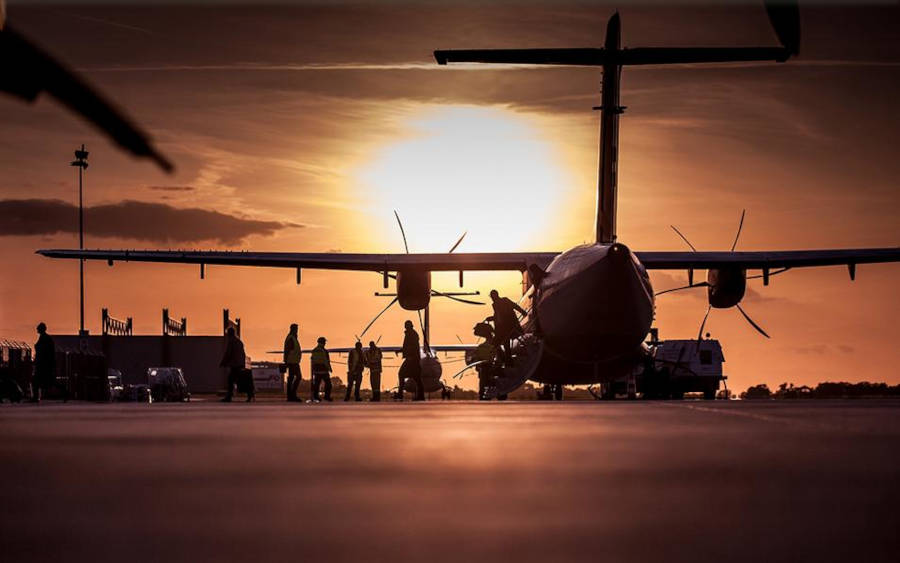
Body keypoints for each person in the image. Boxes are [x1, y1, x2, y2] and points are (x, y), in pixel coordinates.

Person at [486, 289, 528, 366]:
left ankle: (505, 361)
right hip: (507, 327)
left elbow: (500, 316)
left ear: (494, 296)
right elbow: (498, 316)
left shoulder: (500, 303)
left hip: (506, 328)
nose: (492, 298)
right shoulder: (500, 302)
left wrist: (523, 312)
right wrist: (523, 312)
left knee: (498, 343)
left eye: (492, 297)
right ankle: (507, 360)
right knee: (503, 344)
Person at [220, 327, 253, 402]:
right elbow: (242, 353)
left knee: (230, 380)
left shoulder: (231, 342)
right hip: (240, 363)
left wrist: (223, 362)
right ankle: (249, 394)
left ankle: (229, 396)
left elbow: (228, 353)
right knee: (240, 380)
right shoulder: (239, 341)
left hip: (235, 364)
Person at [398, 320, 424, 401]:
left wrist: (410, 355)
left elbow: (413, 346)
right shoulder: (411, 334)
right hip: (412, 358)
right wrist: (402, 350)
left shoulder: (411, 334)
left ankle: (400, 394)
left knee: (402, 374)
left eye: (406, 325)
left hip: (412, 359)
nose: (405, 327)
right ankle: (420, 396)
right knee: (417, 378)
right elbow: (408, 346)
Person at [31, 322, 56, 403]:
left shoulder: (45, 338)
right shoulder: (45, 338)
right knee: (38, 381)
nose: (37, 329)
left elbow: (44, 351)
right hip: (43, 364)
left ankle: (35, 397)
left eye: (38, 328)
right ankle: (36, 397)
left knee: (36, 381)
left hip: (43, 364)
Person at [472, 325, 497, 401]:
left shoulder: (485, 346)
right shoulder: (482, 347)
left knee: (484, 381)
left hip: (488, 366)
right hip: (485, 367)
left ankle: (483, 393)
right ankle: (483, 393)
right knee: (484, 380)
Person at [283, 323, 302, 402]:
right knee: (297, 377)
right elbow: (287, 350)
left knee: (292, 378)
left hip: (294, 361)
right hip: (292, 362)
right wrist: (286, 361)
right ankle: (292, 395)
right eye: (296, 329)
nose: (297, 331)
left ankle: (291, 396)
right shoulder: (291, 338)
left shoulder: (293, 338)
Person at [310, 336, 333, 402]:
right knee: (328, 384)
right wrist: (329, 368)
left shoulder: (314, 350)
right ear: (323, 343)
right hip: (324, 370)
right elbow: (326, 361)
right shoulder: (324, 351)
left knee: (317, 384)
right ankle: (327, 396)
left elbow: (312, 360)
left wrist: (313, 369)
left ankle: (316, 396)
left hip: (316, 370)